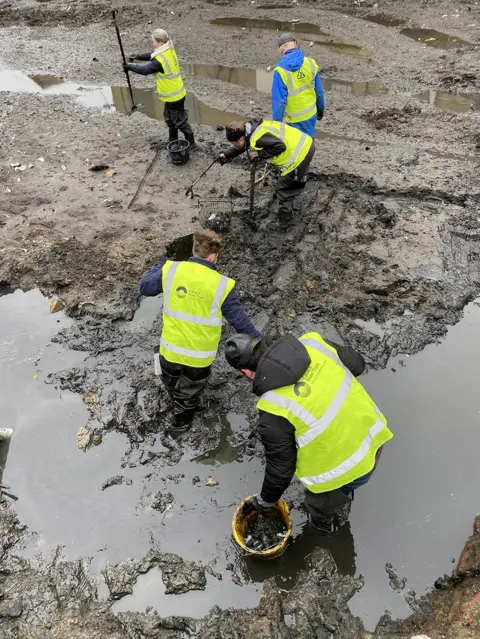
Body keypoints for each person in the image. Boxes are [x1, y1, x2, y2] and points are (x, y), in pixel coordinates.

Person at [224, 331, 393, 532]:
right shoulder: (313, 343)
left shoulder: (273, 407)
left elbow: (280, 469)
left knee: (318, 505)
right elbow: (358, 364)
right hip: (374, 437)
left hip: (350, 467)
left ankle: (323, 529)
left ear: (247, 372)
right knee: (346, 487)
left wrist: (265, 501)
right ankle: (342, 497)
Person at [139, 229, 260, 435]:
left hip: (170, 350)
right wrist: (262, 346)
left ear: (193, 250)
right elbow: (240, 323)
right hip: (199, 359)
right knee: (189, 393)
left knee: (171, 381)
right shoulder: (222, 285)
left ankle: (178, 411)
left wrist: (159, 264)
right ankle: (182, 422)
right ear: (214, 257)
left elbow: (145, 287)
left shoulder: (171, 271)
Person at [218, 118, 315, 228]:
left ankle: (285, 221)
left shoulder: (257, 137)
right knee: (297, 175)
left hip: (300, 155)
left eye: (235, 143)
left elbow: (280, 146)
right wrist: (227, 155)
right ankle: (300, 179)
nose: (235, 145)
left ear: (240, 138)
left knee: (283, 191)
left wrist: (259, 154)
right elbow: (245, 145)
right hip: (306, 144)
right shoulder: (252, 128)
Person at [125, 28, 195, 148]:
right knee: (169, 118)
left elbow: (145, 70)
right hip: (172, 94)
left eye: (154, 42)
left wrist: (130, 67)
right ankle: (173, 139)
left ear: (160, 43)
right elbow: (152, 55)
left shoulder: (160, 60)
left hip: (175, 95)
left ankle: (192, 143)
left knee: (180, 121)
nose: (153, 44)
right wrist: (138, 56)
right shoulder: (168, 49)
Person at [272, 33, 325, 138]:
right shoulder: (310, 63)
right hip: (310, 115)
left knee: (296, 146)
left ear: (281, 52)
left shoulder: (280, 71)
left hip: (293, 119)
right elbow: (319, 91)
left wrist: (276, 125)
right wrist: (320, 110)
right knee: (309, 143)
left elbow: (279, 102)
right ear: (296, 44)